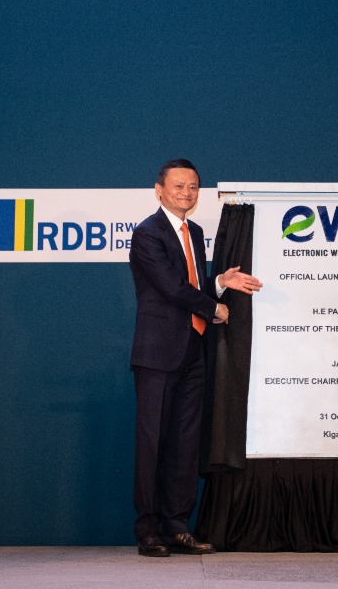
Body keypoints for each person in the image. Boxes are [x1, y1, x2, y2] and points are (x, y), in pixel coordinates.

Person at [129, 158, 262, 557]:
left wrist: (218, 283)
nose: (186, 193)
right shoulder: (147, 233)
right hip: (157, 354)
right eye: (178, 185)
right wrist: (214, 307)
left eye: (193, 187)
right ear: (159, 190)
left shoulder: (196, 232)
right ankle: (148, 530)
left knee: (185, 444)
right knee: (153, 443)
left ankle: (177, 527)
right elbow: (171, 287)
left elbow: (190, 284)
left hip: (192, 351)